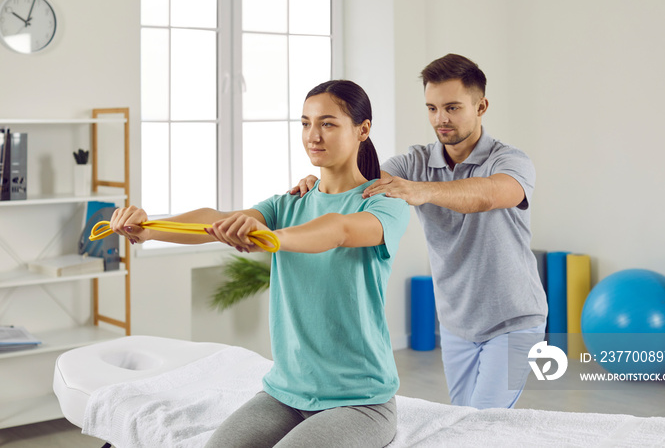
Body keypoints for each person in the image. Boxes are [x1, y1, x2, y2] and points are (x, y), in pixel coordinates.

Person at [109, 80, 409, 447]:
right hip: (284, 394)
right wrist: (149, 228)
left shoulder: (383, 203)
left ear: (363, 129)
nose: (313, 135)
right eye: (305, 123)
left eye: (328, 123)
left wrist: (275, 237)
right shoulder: (287, 203)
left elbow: (340, 230)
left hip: (360, 402)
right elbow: (215, 219)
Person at [293, 54, 547, 410]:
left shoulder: (510, 160)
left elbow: (491, 194)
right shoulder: (414, 162)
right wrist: (320, 182)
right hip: (457, 324)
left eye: (453, 108)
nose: (440, 119)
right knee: (460, 421)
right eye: (432, 108)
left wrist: (422, 190)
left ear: (481, 106)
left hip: (513, 320)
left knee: (484, 422)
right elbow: (357, 181)